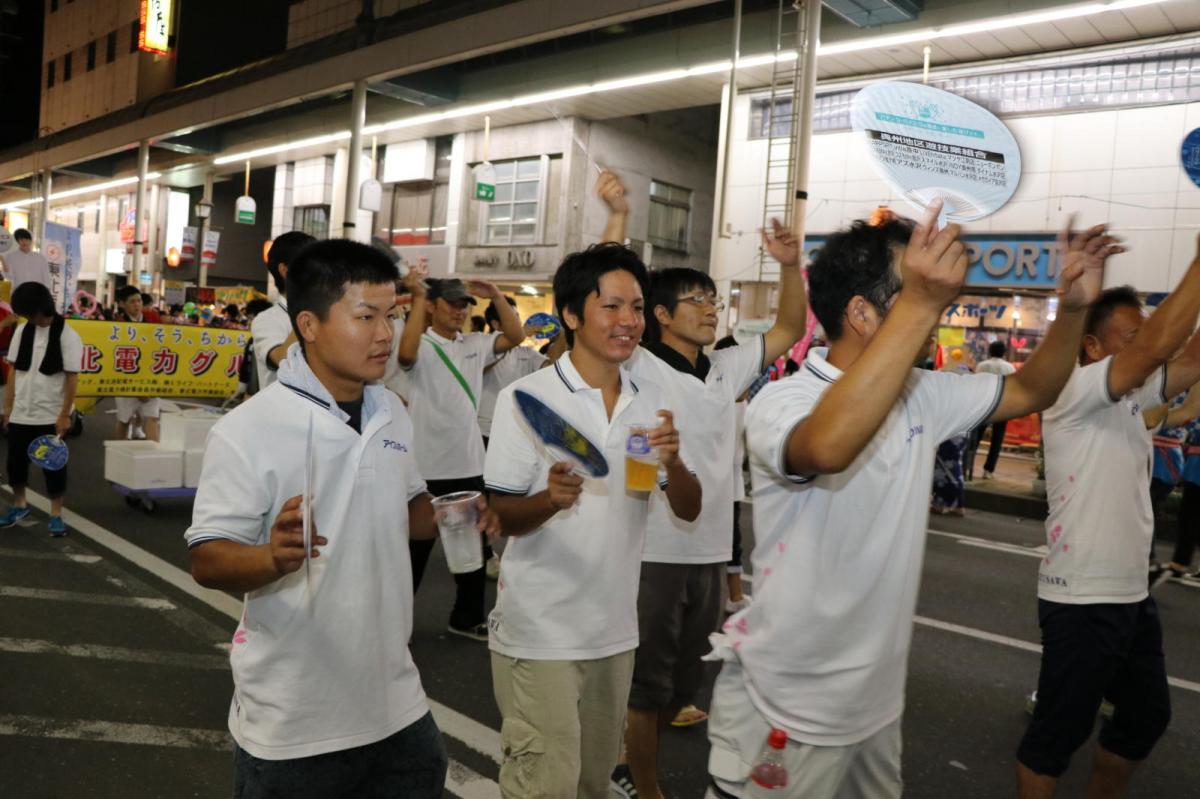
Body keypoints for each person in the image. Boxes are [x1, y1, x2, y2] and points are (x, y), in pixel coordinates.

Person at [704, 203, 1120, 799]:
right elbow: (827, 447)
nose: (938, 309)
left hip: (875, 709)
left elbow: (1033, 387)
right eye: (916, 293)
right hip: (787, 708)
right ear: (863, 314)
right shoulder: (786, 402)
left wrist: (1074, 311)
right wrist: (923, 301)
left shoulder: (922, 392)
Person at [186, 239, 501, 798]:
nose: (386, 334)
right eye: (366, 317)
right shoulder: (249, 430)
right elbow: (208, 558)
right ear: (308, 324)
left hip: (395, 700)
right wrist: (269, 556)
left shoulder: (390, 412)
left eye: (394, 315)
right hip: (294, 720)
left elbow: (408, 514)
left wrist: (460, 512)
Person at [602, 175, 807, 798]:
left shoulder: (724, 365)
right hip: (654, 549)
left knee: (684, 687)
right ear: (660, 314)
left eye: (713, 298)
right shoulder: (635, 364)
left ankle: (625, 756)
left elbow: (791, 325)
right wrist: (617, 217)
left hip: (712, 548)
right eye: (695, 299)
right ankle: (642, 782)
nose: (710, 307)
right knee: (647, 684)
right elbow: (603, 293)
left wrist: (791, 265)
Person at [484, 241, 701, 799]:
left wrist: (673, 463)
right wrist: (548, 501)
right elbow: (502, 515)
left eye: (636, 307)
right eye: (612, 306)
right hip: (541, 634)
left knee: (592, 785)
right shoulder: (524, 398)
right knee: (543, 789)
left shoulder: (649, 403)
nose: (628, 321)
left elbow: (687, 507)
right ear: (573, 315)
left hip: (613, 632)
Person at [1017, 253, 1200, 796]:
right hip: (1081, 599)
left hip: (1129, 596)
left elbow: (1189, 357)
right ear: (1092, 347)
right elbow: (1157, 348)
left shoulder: (1131, 398)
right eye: (1131, 334)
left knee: (1146, 717)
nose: (1145, 343)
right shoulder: (1071, 391)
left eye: (1142, 331)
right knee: (1054, 740)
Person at [396, 273, 525, 640]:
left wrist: (497, 294)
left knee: (470, 551)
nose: (459, 311)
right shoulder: (418, 343)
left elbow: (516, 336)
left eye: (464, 304)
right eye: (451, 303)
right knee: (414, 552)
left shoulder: (476, 344)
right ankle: (393, 622)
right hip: (423, 466)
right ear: (434, 305)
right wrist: (419, 296)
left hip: (468, 464)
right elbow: (405, 356)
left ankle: (465, 618)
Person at [0, 282, 82, 536]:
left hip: (50, 413)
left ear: (41, 308)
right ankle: (20, 504)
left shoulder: (68, 335)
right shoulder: (24, 331)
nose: (28, 318)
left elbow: (71, 377)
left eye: (30, 313)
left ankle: (56, 514)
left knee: (53, 466)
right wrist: (8, 406)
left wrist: (64, 414)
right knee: (16, 465)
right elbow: (14, 370)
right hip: (22, 412)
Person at [252, 231, 316, 391]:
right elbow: (281, 358)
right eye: (312, 266)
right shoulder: (267, 320)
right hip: (282, 413)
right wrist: (310, 310)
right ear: (285, 270)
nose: (320, 273)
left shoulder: (327, 313)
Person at [112, 284, 162, 442]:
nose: (137, 305)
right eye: (132, 301)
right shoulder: (116, 325)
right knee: (124, 420)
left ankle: (153, 458)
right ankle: (118, 458)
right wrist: (136, 389)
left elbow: (160, 349)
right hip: (125, 380)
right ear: (122, 304)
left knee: (152, 418)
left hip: (150, 378)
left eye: (139, 301)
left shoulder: (153, 319)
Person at [973, 340, 1017, 478]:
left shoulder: (981, 365)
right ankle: (988, 471)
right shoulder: (1009, 368)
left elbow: (975, 385)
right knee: (997, 440)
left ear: (990, 351)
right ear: (1004, 353)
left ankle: (967, 465)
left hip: (982, 405)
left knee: (976, 437)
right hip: (1002, 405)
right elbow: (1012, 388)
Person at [1, 229, 52, 293]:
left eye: (27, 239)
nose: (24, 242)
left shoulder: (40, 258)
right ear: (17, 241)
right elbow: (8, 275)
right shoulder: (10, 257)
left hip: (37, 293)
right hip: (18, 292)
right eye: (21, 239)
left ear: (31, 240)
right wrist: (2, 260)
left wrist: (46, 293)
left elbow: (46, 278)